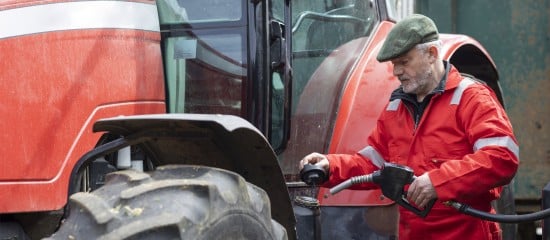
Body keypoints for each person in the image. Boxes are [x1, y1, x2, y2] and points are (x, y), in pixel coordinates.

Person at [299, 14, 519, 240]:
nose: (396, 72)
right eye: (394, 64)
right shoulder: (396, 109)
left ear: (432, 54)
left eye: (404, 62)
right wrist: (330, 166)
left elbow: (502, 157)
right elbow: (373, 164)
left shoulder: (471, 98)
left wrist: (438, 182)